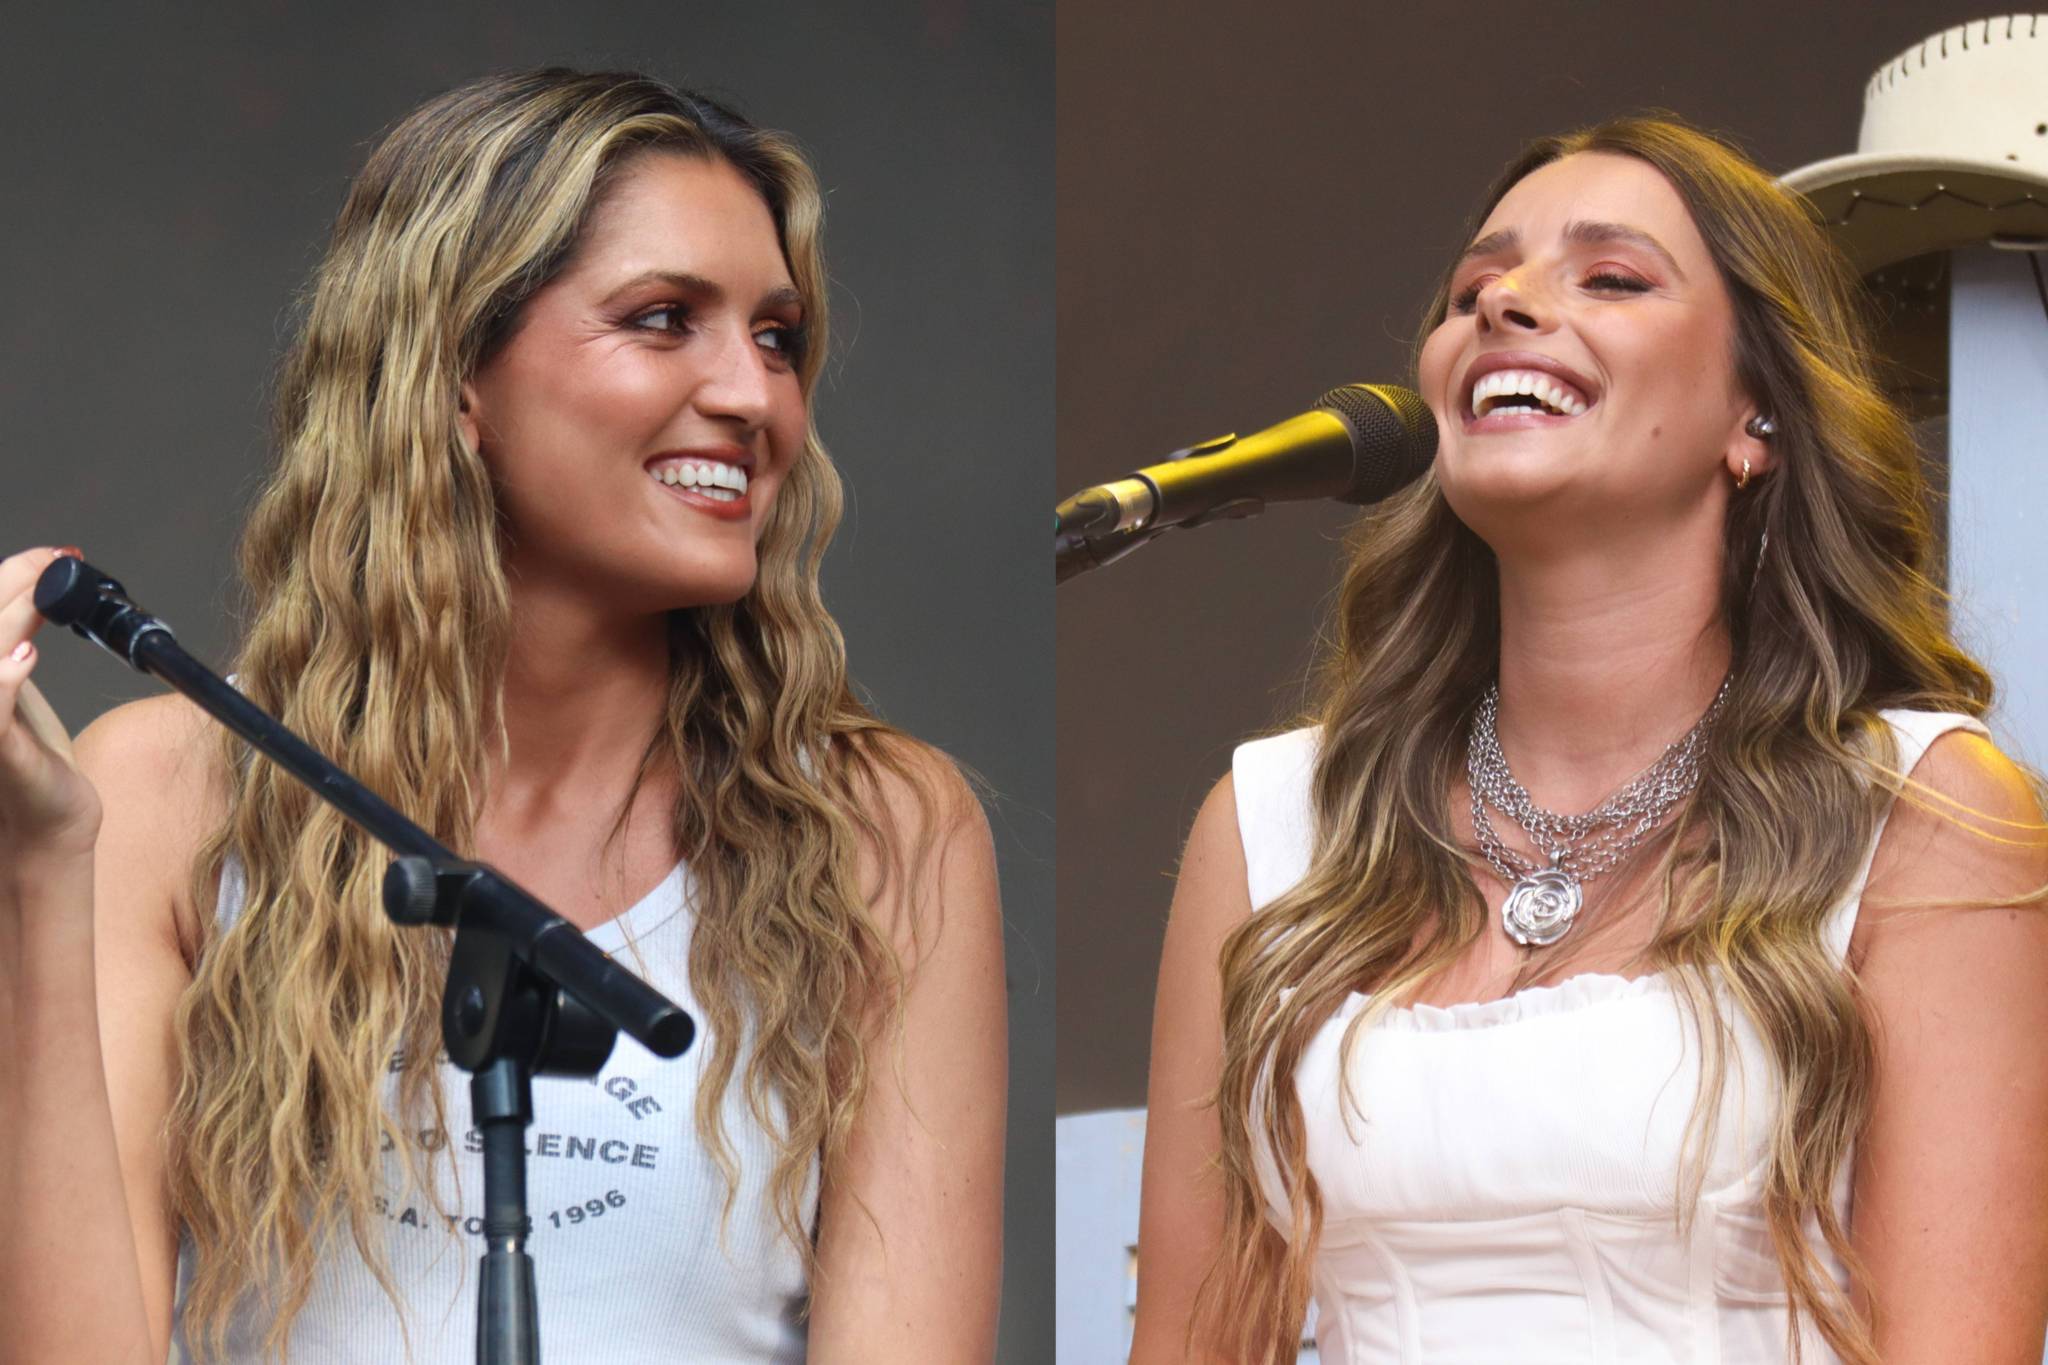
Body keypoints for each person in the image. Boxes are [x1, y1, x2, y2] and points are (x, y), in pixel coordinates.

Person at [0, 69, 1005, 1365]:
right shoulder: (164, 793)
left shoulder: (882, 835)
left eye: (774, 335)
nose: (756, 398)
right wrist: (37, 873)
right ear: (456, 377)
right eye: (662, 320)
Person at [1130, 113, 2048, 1364]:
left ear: (1754, 421)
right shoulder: (1271, 823)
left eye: (1609, 278)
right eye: (1473, 287)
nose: (1504, 303)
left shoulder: (1925, 815)